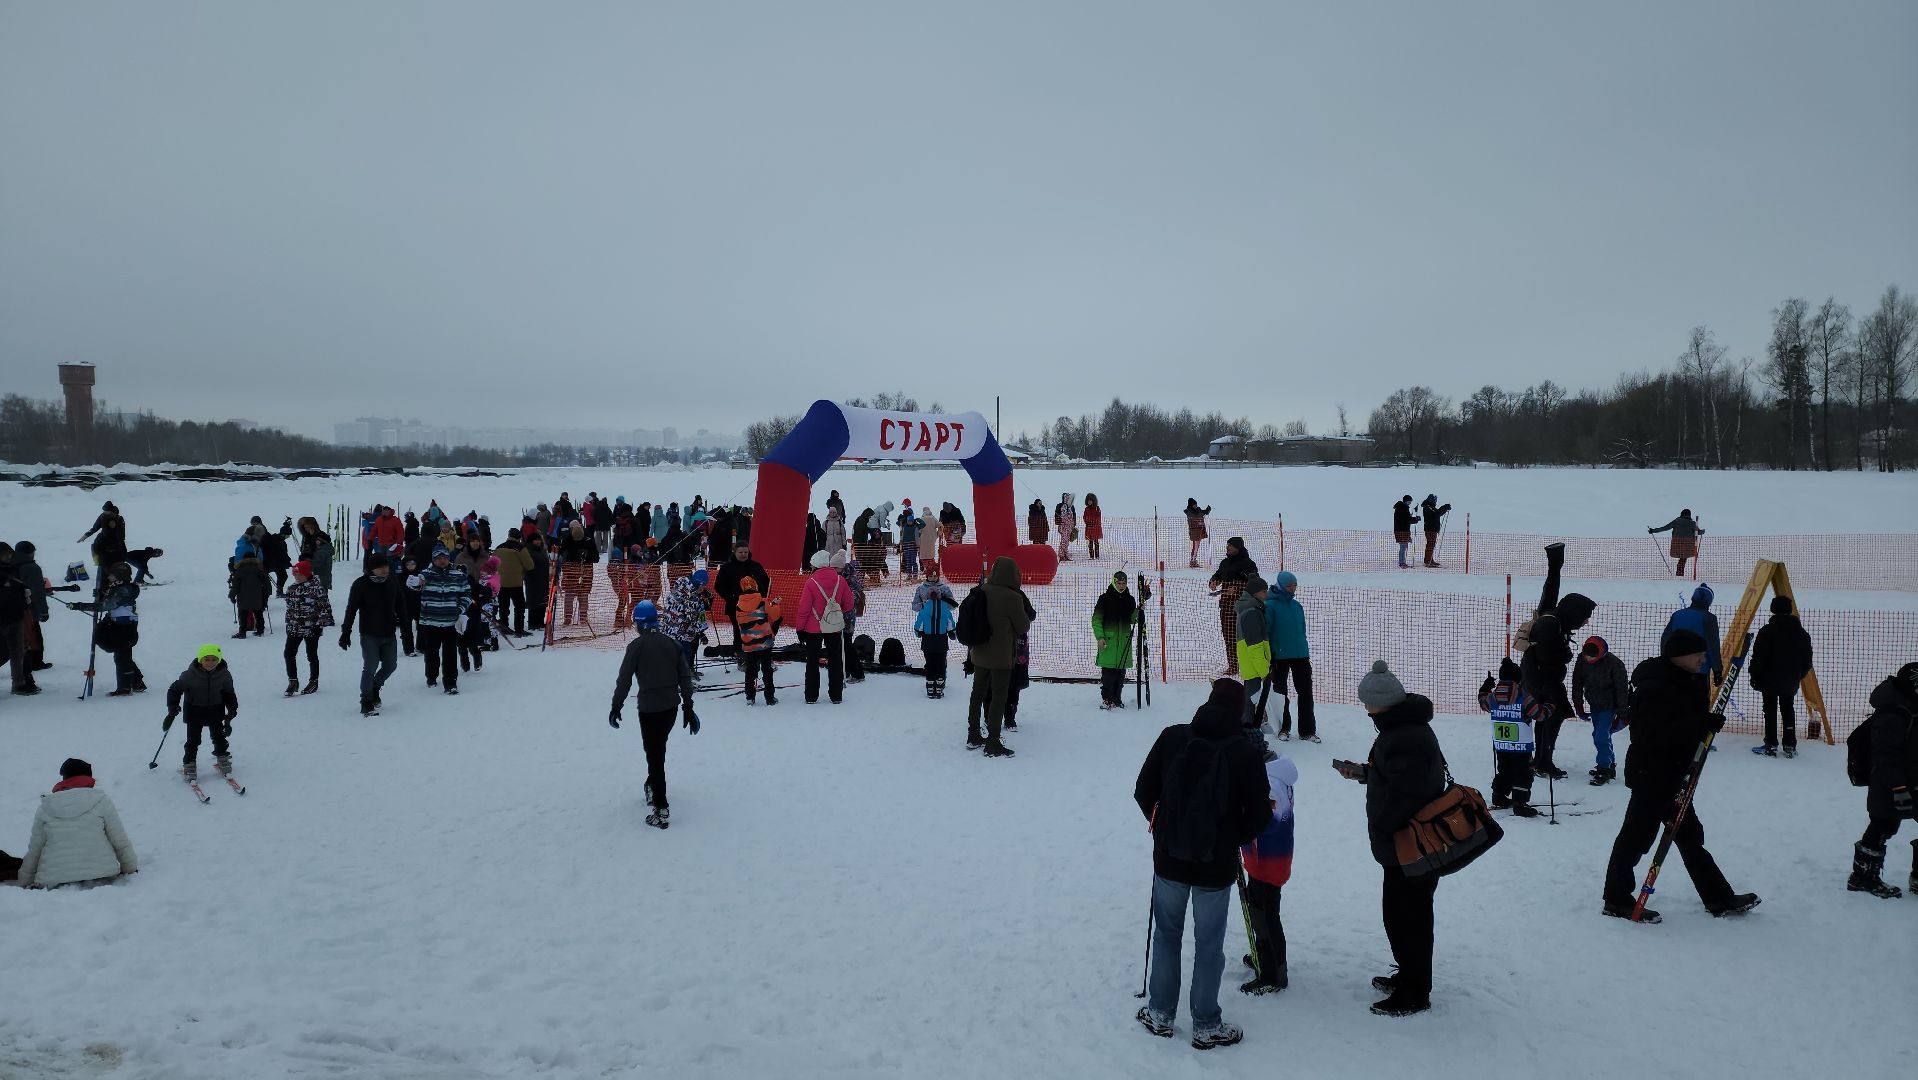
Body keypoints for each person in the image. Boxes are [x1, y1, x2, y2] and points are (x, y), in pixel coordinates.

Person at [1132, 678, 1269, 1048]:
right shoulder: (1244, 752)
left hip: (1169, 860)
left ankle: (1160, 1013)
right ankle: (1206, 1024)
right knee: (1209, 944)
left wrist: (1161, 829)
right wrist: (1230, 839)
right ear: (1240, 710)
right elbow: (1259, 815)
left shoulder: (1173, 737)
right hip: (1215, 866)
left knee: (1166, 935)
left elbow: (1143, 789)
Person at [1600, 629, 1760, 922]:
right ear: (1679, 655)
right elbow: (1650, 735)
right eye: (1698, 654)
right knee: (1637, 837)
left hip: (1676, 772)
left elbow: (1686, 722)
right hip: (1652, 773)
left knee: (1689, 836)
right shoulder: (1654, 686)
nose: (1704, 659)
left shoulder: (1690, 680)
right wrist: (1699, 725)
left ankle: (1718, 896)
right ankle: (1616, 898)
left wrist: (1700, 727)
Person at [1333, 661, 1446, 1016]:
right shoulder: (1402, 729)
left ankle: (1415, 992)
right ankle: (1409, 975)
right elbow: (1396, 778)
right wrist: (1367, 774)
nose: (1365, 709)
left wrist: (1381, 825)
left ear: (1382, 703)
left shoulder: (1406, 737)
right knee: (1399, 914)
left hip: (1411, 844)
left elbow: (1406, 794)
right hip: (1402, 845)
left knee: (1408, 917)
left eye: (1368, 703)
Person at [609, 600, 698, 829]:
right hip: (671, 709)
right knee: (658, 749)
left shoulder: (637, 646)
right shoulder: (672, 643)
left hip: (649, 710)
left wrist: (616, 706)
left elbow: (624, 680)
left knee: (655, 757)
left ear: (639, 623)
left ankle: (661, 807)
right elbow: (685, 678)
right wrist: (688, 707)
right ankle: (652, 786)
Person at [1519, 544, 1596, 780]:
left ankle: (1542, 759)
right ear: (1573, 613)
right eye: (1583, 618)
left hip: (1543, 675)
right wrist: (1567, 655)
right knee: (1553, 715)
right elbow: (1549, 656)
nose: (1584, 623)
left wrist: (1555, 563)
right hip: (1541, 677)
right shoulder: (1550, 624)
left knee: (1549, 716)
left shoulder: (1553, 614)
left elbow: (1550, 588)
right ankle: (1543, 761)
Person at [1848, 663, 1918, 898]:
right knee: (1883, 825)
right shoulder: (1893, 713)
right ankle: (1863, 877)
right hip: (1890, 784)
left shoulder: (1911, 707)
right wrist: (1898, 788)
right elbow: (1886, 756)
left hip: (1912, 780)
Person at [16, 759, 137, 889]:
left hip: (55, 879)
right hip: (102, 875)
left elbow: (35, 850)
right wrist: (130, 869)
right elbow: (119, 841)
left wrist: (25, 880)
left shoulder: (46, 807)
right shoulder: (101, 801)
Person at [1239, 751, 1298, 995]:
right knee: (1258, 908)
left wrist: (1239, 820)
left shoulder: (1270, 781)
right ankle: (1264, 959)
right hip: (1262, 857)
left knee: (1266, 914)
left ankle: (1273, 973)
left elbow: (1268, 820)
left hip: (1269, 859)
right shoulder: (1271, 773)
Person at [965, 556, 1030, 757]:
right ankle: (993, 741)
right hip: (1001, 656)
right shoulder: (1013, 597)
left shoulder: (982, 589)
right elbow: (1023, 626)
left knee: (977, 693)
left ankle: (973, 734)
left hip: (979, 652)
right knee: (999, 697)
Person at [339, 554, 403, 716]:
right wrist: (346, 632)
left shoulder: (392, 582)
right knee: (370, 667)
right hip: (369, 634)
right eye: (379, 568)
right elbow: (351, 609)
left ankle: (375, 687)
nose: (384, 570)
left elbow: (401, 606)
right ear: (371, 569)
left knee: (390, 666)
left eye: (386, 566)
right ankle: (366, 701)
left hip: (389, 633)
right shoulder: (361, 584)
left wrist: (405, 627)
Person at [1750, 595, 1813, 757]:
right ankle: (1790, 744)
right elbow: (1807, 661)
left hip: (1768, 678)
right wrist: (1798, 675)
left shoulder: (1766, 631)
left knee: (1769, 710)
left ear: (1773, 610)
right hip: (1790, 679)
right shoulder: (1802, 634)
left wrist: (1754, 674)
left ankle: (1771, 744)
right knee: (1788, 708)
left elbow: (1758, 657)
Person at [164, 644, 238, 780]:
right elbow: (174, 690)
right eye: (207, 659)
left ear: (219, 660)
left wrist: (232, 708)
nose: (210, 663)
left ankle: (222, 758)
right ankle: (189, 763)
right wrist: (173, 706)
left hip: (216, 710)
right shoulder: (189, 675)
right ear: (200, 659)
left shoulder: (224, 675)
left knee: (219, 737)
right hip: (194, 712)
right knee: (193, 740)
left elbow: (229, 693)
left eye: (214, 659)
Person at [1479, 658, 1540, 817]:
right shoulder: (1523, 696)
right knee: (1523, 772)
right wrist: (1550, 704)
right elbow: (1539, 714)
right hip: (1521, 746)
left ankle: (1499, 796)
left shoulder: (1492, 697)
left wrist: (1486, 687)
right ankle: (1520, 803)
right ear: (1519, 679)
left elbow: (1483, 702)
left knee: (1505, 770)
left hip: (1501, 745)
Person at [795, 550, 853, 705]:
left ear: (814, 566)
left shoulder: (811, 582)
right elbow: (849, 604)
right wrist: (836, 609)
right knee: (835, 660)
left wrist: (800, 629)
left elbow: (804, 609)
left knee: (812, 662)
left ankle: (811, 696)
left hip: (813, 628)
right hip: (833, 626)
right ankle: (836, 695)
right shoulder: (840, 580)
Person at [408, 546, 469, 695]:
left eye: (444, 558)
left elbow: (466, 595)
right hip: (430, 622)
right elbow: (417, 585)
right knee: (431, 652)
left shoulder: (458, 575)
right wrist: (413, 582)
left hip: (450, 622)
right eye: (438, 558)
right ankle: (431, 676)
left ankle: (450, 683)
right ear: (433, 560)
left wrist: (459, 610)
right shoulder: (426, 574)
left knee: (450, 653)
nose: (441, 561)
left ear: (449, 558)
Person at [76, 563, 144, 695]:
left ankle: (125, 688)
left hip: (124, 627)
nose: (109, 577)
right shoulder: (119, 588)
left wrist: (81, 606)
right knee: (122, 655)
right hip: (120, 626)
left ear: (120, 575)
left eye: (112, 575)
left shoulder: (124, 590)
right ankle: (136, 682)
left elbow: (106, 605)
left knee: (122, 657)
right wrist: (102, 593)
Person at [1265, 572, 1317, 742]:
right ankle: (1283, 728)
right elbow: (1267, 631)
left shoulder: (1296, 606)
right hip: (1279, 656)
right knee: (1281, 694)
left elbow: (1302, 629)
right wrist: (1270, 655)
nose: (1292, 589)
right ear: (1280, 586)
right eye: (1288, 586)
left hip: (1300, 655)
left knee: (1306, 693)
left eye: (1294, 585)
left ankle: (1307, 731)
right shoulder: (1270, 605)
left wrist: (1303, 648)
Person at [1572, 636, 1630, 785]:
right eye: (1587, 656)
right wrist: (1578, 704)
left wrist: (1623, 714)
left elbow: (1622, 690)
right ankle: (1609, 765)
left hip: (1610, 706)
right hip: (1594, 704)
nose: (1589, 659)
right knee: (1601, 735)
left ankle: (1604, 768)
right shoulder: (1582, 660)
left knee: (1600, 736)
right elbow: (1577, 681)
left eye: (1593, 657)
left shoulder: (1615, 664)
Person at [280, 560, 335, 696]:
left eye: (300, 575)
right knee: (289, 653)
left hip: (311, 627)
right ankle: (293, 680)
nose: (297, 577)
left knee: (311, 654)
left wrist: (320, 624)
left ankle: (313, 681)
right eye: (295, 575)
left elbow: (325, 607)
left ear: (307, 573)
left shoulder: (317, 587)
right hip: (294, 627)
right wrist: (289, 623)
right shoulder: (292, 588)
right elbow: (289, 608)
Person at [1208, 538, 1257, 676]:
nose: (1228, 548)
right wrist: (1213, 582)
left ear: (1238, 547)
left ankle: (1251, 665)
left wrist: (1237, 589)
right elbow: (1218, 576)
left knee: (1246, 638)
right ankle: (1233, 667)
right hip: (1227, 606)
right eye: (1227, 545)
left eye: (1231, 546)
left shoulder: (1248, 564)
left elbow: (1255, 585)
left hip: (1244, 606)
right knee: (1229, 637)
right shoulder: (1225, 563)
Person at [713, 542, 768, 654]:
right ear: (735, 552)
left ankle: (756, 655)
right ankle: (740, 655)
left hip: (756, 606)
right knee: (739, 632)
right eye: (740, 552)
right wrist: (731, 597)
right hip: (736, 607)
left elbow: (766, 583)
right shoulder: (727, 568)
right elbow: (718, 586)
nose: (743, 554)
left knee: (756, 630)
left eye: (745, 552)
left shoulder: (756, 566)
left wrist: (762, 597)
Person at [1662, 584, 1723, 686]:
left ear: (1693, 598)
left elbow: (1665, 640)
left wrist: (1665, 660)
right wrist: (1717, 670)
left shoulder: (1677, 615)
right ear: (1709, 601)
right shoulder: (1709, 618)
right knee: (1698, 701)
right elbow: (1712, 646)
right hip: (1699, 670)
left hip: (1675, 667)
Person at [1092, 571, 1137, 709]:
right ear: (1114, 582)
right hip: (1108, 643)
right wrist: (1100, 637)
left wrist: (1139, 609)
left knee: (1120, 674)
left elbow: (1133, 619)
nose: (1121, 586)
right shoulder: (1104, 599)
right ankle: (1107, 699)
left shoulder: (1130, 600)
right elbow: (1096, 620)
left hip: (1124, 643)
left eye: (1124, 583)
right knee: (1108, 675)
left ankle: (1117, 698)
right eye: (1119, 583)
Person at [911, 562, 956, 698]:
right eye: (930, 576)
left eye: (935, 576)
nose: (932, 579)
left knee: (941, 660)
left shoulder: (944, 588)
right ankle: (933, 681)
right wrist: (925, 605)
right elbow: (915, 606)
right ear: (927, 576)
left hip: (940, 625)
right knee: (932, 660)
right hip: (929, 630)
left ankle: (940, 681)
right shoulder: (921, 589)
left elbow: (952, 606)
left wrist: (942, 603)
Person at [1234, 575, 1271, 738]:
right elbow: (1255, 646)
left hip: (1251, 665)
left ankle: (1249, 734)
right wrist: (1265, 671)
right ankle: (1248, 736)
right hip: (1255, 666)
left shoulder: (1251, 608)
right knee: (1251, 702)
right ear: (1255, 593)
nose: (1267, 595)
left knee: (1251, 701)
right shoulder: (1251, 612)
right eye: (1264, 591)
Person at [734, 578, 781, 705]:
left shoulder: (738, 606)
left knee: (750, 670)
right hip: (765, 642)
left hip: (749, 643)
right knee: (767, 670)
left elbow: (740, 623)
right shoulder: (762, 601)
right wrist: (775, 604)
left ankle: (750, 696)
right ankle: (769, 697)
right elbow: (775, 616)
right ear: (755, 586)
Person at [0, 544, 34, 696]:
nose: (8, 557)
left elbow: (18, 590)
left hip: (16, 617)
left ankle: (18, 683)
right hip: (1, 620)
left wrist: (25, 597)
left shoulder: (14, 569)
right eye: (4, 554)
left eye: (9, 554)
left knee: (18, 652)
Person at [662, 568, 711, 670]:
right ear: (697, 583)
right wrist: (701, 633)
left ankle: (681, 676)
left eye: (704, 586)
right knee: (684, 655)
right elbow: (691, 617)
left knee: (680, 655)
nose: (703, 588)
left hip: (672, 629)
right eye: (702, 585)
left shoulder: (683, 587)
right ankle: (681, 679)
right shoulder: (690, 596)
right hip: (679, 631)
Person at [557, 521, 599, 627]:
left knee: (583, 594)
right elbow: (561, 553)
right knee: (569, 595)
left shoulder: (589, 541)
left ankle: (583, 617)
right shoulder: (567, 540)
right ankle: (567, 618)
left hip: (585, 571)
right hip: (570, 572)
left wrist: (587, 556)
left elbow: (596, 558)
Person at [494, 529, 534, 636]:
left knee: (503, 606)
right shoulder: (520, 548)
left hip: (501, 582)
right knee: (519, 606)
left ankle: (504, 626)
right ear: (519, 538)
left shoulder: (499, 547)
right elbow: (530, 565)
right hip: (515, 582)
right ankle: (519, 629)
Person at [228, 544, 270, 638]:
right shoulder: (259, 569)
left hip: (243, 597)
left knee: (243, 615)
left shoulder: (239, 570)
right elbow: (266, 583)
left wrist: (232, 596)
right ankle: (260, 630)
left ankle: (242, 633)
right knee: (258, 614)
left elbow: (235, 586)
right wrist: (266, 594)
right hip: (257, 596)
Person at [1649, 510, 1705, 577]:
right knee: (1683, 559)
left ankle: (1679, 574)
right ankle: (1679, 575)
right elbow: (1698, 532)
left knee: (1681, 560)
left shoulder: (1676, 521)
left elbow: (1665, 528)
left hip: (1677, 545)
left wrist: (1653, 530)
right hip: (1688, 546)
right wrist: (1703, 531)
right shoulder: (1692, 523)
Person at [78, 501, 128, 572]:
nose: (104, 512)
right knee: (95, 548)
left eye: (106, 511)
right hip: (103, 538)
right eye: (104, 510)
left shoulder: (119, 518)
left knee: (118, 556)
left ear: (111, 511)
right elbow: (95, 527)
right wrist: (86, 535)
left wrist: (120, 543)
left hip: (115, 540)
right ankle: (102, 565)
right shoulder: (102, 516)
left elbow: (121, 534)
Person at [296, 516, 335, 591]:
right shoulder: (306, 537)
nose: (306, 529)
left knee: (321, 588)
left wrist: (308, 561)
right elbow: (305, 550)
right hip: (309, 568)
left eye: (308, 526)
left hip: (320, 569)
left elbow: (321, 556)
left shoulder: (321, 537)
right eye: (305, 527)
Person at [524, 533, 550, 639]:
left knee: (543, 600)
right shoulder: (528, 551)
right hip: (533, 579)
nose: (538, 542)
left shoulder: (541, 551)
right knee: (534, 600)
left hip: (543, 579)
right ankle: (533, 623)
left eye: (539, 540)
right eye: (535, 540)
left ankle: (540, 622)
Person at [262, 517, 294, 597]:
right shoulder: (280, 541)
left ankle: (278, 592)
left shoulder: (275, 538)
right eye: (288, 535)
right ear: (285, 534)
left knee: (282, 575)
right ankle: (279, 592)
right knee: (283, 575)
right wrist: (286, 561)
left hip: (271, 563)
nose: (289, 537)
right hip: (275, 563)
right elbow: (282, 554)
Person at [1418, 495, 1451, 568]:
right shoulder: (1428, 507)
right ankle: (1428, 561)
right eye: (1434, 500)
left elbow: (1437, 513)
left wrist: (1444, 508)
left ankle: (1429, 560)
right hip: (1430, 529)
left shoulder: (1430, 507)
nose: (1435, 501)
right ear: (1431, 500)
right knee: (1430, 545)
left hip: (1432, 529)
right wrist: (1445, 507)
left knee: (1431, 545)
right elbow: (1437, 514)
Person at [897, 501, 923, 578]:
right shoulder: (905, 526)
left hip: (912, 546)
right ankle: (909, 574)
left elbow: (923, 524)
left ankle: (914, 574)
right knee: (908, 561)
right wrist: (901, 519)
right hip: (907, 546)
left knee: (912, 561)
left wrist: (918, 519)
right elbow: (898, 523)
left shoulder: (915, 526)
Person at [1184, 499, 1211, 569]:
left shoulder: (1196, 511)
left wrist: (1207, 510)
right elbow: (1196, 515)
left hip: (1199, 531)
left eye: (1196, 504)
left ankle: (1193, 560)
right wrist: (1201, 510)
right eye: (1194, 504)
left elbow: (1203, 513)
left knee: (1196, 547)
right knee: (1195, 547)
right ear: (1191, 505)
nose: (1196, 506)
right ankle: (1193, 561)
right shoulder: (1189, 511)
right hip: (1194, 532)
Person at [1391, 495, 1416, 569]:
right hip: (1401, 530)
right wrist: (1415, 519)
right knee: (1403, 546)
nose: (1409, 503)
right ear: (1405, 501)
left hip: (1402, 530)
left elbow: (1406, 519)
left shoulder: (1401, 508)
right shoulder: (1403, 508)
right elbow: (1405, 520)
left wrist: (1413, 519)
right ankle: (1402, 562)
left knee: (1404, 546)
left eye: (1410, 502)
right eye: (1408, 502)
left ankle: (1403, 562)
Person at [1054, 493, 1077, 562]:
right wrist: (1062, 523)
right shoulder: (1063, 506)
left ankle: (1065, 554)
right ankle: (1061, 555)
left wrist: (1073, 524)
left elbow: (1073, 516)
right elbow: (1063, 517)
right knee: (1064, 541)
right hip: (1064, 526)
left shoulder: (1070, 507)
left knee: (1066, 541)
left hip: (1069, 527)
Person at [1083, 493, 1104, 559]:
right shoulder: (1086, 509)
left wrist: (1092, 522)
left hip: (1096, 528)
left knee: (1096, 541)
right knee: (1090, 542)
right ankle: (1091, 556)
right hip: (1089, 528)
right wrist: (1087, 522)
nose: (1089, 502)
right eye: (1088, 500)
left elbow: (1098, 517)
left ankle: (1097, 556)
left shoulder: (1097, 509)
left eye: (1091, 500)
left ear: (1093, 501)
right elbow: (1084, 517)